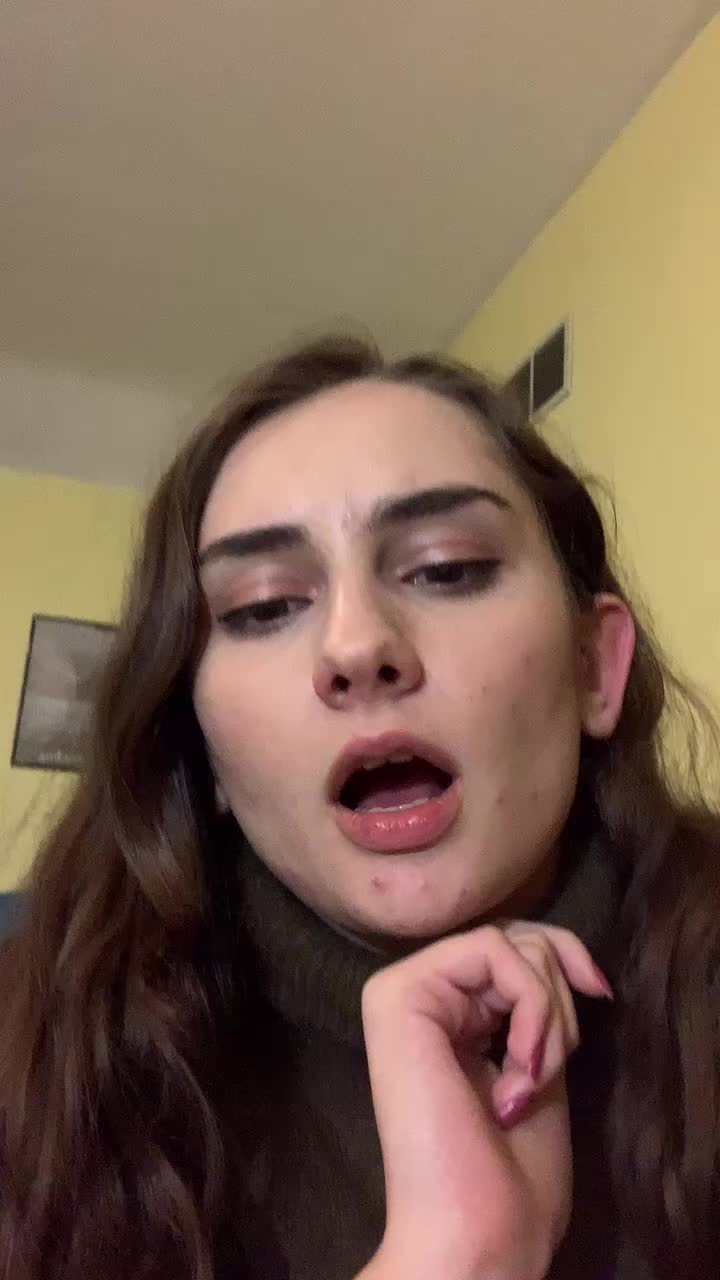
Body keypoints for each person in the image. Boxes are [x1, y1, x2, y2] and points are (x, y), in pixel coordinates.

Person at [0, 336, 718, 1280]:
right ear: (202, 752)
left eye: (447, 567)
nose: (356, 645)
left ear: (594, 667)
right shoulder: (32, 1064)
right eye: (262, 607)